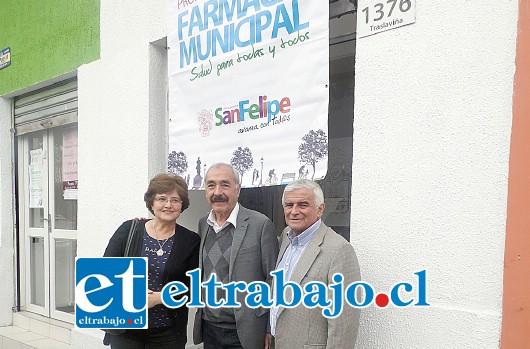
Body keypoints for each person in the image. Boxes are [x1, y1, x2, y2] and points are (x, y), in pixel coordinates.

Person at [103, 173, 200, 349]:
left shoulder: (190, 240)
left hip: (168, 332)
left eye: (175, 200)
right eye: (162, 199)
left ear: (182, 205)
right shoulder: (129, 230)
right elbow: (105, 272)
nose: (168, 205)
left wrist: (160, 298)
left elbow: (194, 287)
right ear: (152, 203)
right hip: (127, 326)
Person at [265, 179, 361, 349]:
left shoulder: (339, 250)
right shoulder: (286, 236)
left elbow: (344, 324)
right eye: (289, 205)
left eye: (303, 205)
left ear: (320, 209)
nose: (294, 211)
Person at [193, 163, 279, 349]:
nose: (217, 192)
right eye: (211, 185)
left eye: (225, 184)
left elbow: (273, 279)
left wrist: (268, 328)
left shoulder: (260, 224)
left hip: (245, 331)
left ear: (237, 190)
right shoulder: (203, 225)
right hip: (210, 327)